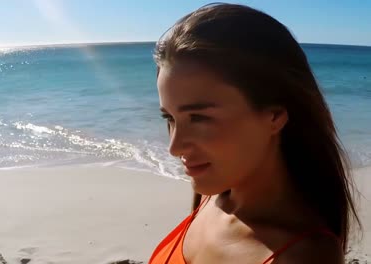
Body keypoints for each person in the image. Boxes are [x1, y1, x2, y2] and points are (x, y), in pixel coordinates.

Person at [149, 3, 360, 263]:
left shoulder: (303, 255)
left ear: (274, 116)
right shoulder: (212, 197)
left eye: (199, 117)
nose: (175, 147)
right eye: (169, 118)